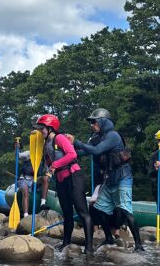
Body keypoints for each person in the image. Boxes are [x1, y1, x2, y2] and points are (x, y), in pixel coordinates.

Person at [73, 108, 144, 251]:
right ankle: (109, 238)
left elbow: (96, 151)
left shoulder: (113, 136)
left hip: (123, 177)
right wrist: (67, 147)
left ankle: (139, 245)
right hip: (109, 178)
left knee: (125, 210)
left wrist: (76, 141)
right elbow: (82, 152)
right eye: (91, 122)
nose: (92, 125)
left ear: (103, 122)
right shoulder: (97, 137)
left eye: (94, 122)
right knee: (97, 209)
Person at [33, 114, 93, 254]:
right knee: (66, 213)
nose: (40, 132)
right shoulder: (45, 143)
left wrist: (55, 164)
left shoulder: (59, 138)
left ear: (49, 128)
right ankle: (66, 243)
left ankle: (89, 247)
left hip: (73, 176)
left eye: (41, 129)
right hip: (61, 180)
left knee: (82, 212)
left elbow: (72, 154)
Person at [16, 148, 47, 217]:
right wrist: (18, 148)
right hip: (23, 179)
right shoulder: (28, 153)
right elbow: (18, 155)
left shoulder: (44, 158)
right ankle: (26, 215)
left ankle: (43, 202)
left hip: (34, 180)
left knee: (45, 178)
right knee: (26, 193)